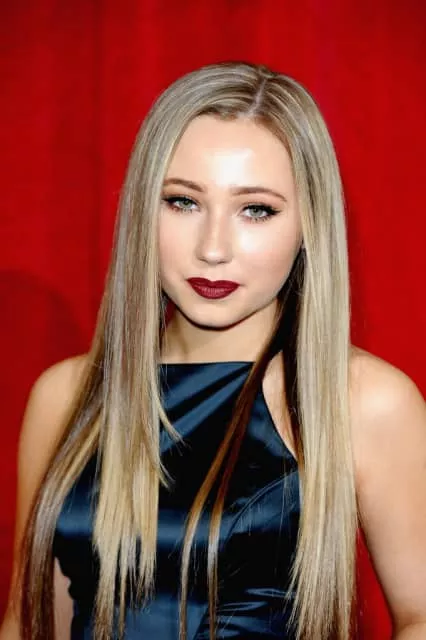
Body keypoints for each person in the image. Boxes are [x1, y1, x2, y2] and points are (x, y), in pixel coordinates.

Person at [1, 61, 425, 640]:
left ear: (309, 225)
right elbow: (30, 621)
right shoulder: (66, 396)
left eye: (256, 209)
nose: (213, 248)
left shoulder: (364, 402)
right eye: (183, 202)